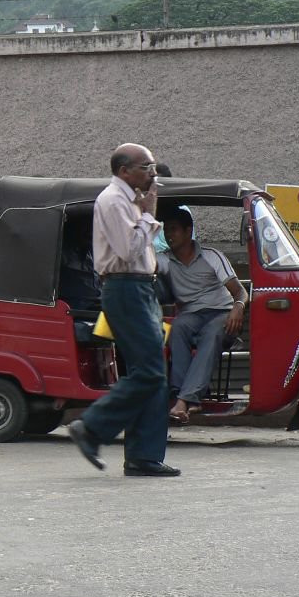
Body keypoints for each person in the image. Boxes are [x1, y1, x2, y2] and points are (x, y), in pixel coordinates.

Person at [67, 144, 179, 478]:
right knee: (149, 372)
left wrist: (145, 212)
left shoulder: (130, 200)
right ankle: (91, 426)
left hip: (141, 288)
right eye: (147, 167)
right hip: (125, 287)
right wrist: (149, 214)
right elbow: (129, 249)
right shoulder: (113, 200)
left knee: (153, 373)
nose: (153, 174)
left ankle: (144, 456)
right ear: (125, 170)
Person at [157, 207, 248, 425]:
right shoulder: (164, 260)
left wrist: (238, 307)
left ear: (189, 231)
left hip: (221, 313)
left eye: (174, 230)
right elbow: (139, 263)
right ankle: (188, 398)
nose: (169, 235)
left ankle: (183, 401)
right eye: (166, 230)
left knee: (213, 332)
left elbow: (241, 292)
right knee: (177, 328)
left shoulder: (212, 256)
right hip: (191, 315)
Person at [57, 214, 101, 312]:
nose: (91, 232)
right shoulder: (61, 253)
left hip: (94, 302)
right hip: (75, 307)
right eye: (86, 227)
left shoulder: (90, 252)